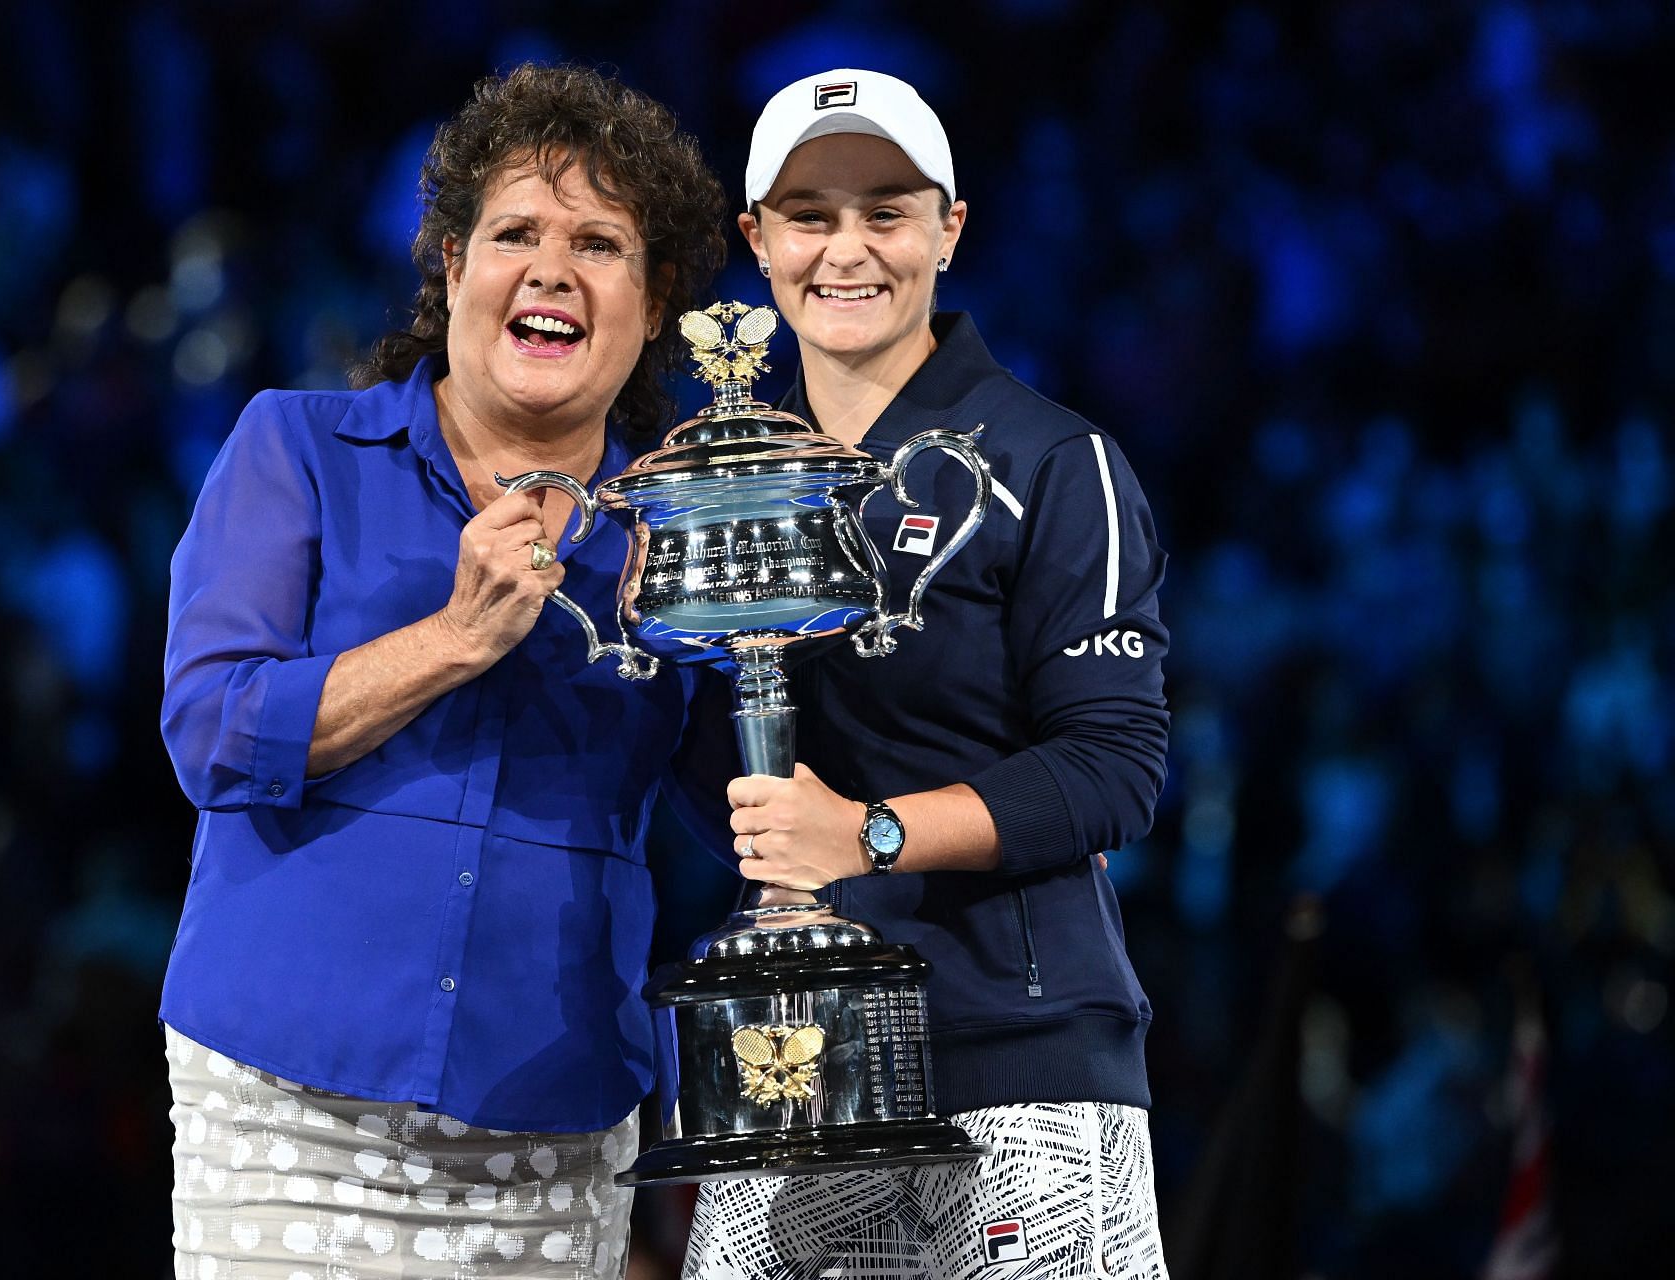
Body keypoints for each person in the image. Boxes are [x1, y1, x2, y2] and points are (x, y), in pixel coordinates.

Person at [157, 64, 726, 1279]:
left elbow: (741, 813)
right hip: (284, 1106)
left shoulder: (674, 536)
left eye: (601, 243)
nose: (553, 268)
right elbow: (212, 731)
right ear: (454, 266)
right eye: (515, 231)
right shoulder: (298, 449)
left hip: (550, 1123)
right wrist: (454, 638)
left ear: (655, 297)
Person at [684, 70, 1173, 1278]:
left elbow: (1113, 769)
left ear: (949, 229)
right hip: (788, 1063)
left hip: (1018, 1057)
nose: (847, 248)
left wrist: (868, 835)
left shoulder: (1058, 462)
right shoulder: (710, 481)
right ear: (756, 241)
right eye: (810, 215)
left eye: (886, 211)